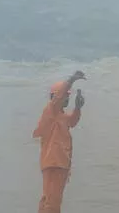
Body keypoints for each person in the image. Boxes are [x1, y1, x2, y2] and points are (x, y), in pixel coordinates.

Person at [33, 70, 86, 213]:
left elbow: (72, 121)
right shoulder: (50, 111)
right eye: (65, 96)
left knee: (50, 198)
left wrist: (78, 108)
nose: (67, 99)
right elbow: (58, 98)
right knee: (52, 201)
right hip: (54, 162)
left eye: (68, 96)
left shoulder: (61, 116)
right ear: (56, 97)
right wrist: (71, 80)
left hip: (60, 163)